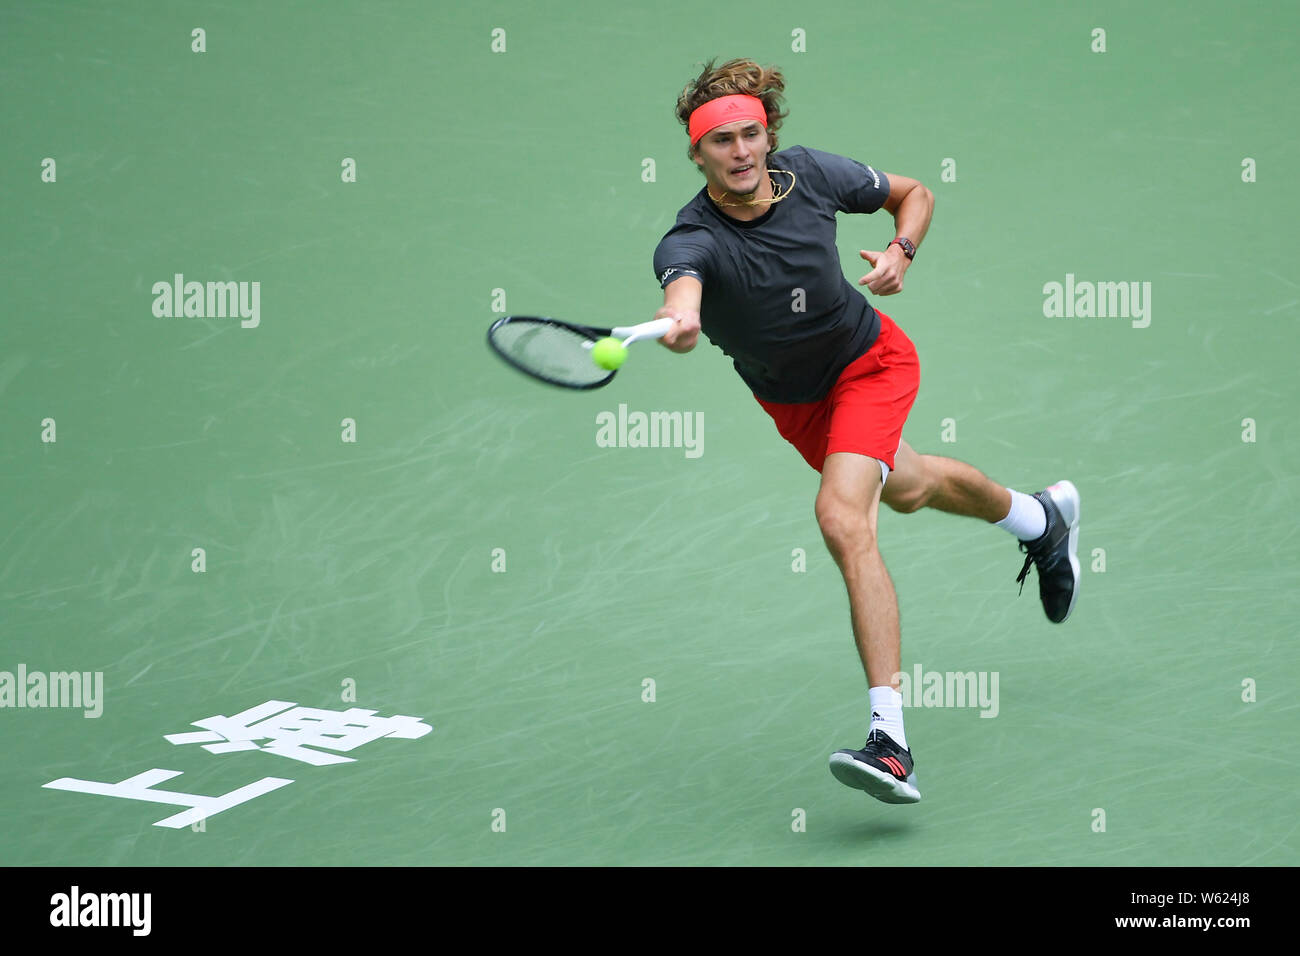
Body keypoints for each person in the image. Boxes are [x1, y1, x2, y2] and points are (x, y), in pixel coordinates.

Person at [652, 58, 1080, 805]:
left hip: (870, 363)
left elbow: (914, 193)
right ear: (697, 155)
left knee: (842, 517)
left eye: (752, 133)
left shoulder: (812, 175)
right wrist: (680, 318)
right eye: (722, 142)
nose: (742, 151)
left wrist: (900, 252)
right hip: (796, 404)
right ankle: (1041, 519)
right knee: (909, 489)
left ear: (769, 134)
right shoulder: (690, 241)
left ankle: (891, 745)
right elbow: (681, 283)